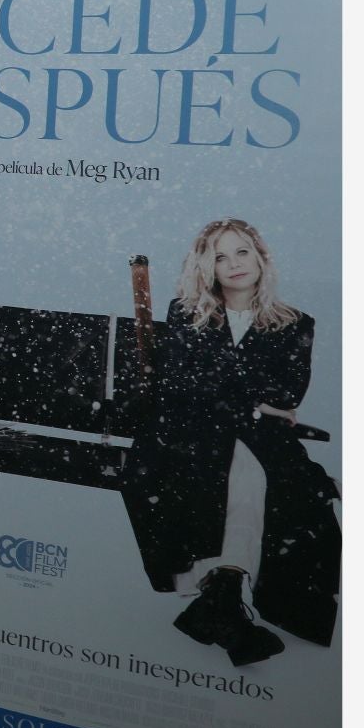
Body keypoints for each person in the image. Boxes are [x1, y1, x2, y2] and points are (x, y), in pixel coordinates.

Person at [121, 219, 340, 666]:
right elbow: (181, 386)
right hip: (189, 435)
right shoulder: (187, 312)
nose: (234, 264)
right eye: (220, 256)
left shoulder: (294, 323)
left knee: (252, 469)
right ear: (208, 267)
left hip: (254, 441)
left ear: (260, 257)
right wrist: (254, 405)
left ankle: (220, 598)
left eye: (242, 252)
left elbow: (287, 392)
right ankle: (223, 596)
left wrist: (233, 395)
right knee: (235, 466)